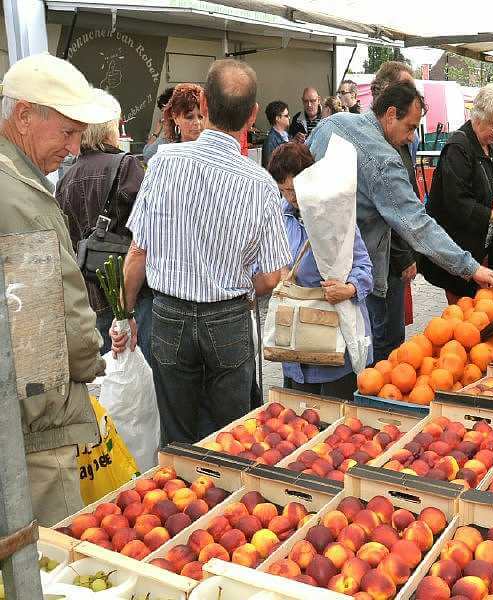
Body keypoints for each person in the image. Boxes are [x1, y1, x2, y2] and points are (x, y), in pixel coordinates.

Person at [117, 59, 290, 444]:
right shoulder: (260, 184)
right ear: (253, 114)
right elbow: (273, 276)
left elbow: (138, 252)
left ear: (205, 105)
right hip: (228, 316)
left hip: (169, 315)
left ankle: (178, 490)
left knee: (177, 434)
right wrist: (244, 280)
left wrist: (125, 314)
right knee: (231, 437)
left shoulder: (163, 164)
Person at [0, 53, 119, 524]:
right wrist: (91, 358)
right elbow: (51, 314)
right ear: (25, 115)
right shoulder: (21, 198)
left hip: (16, 406)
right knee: (51, 553)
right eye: (66, 133)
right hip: (35, 418)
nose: (73, 148)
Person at [307, 82, 493, 358]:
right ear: (391, 114)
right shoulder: (384, 160)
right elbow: (418, 225)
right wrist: (471, 267)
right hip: (351, 273)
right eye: (411, 127)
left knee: (307, 346)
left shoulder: (333, 123)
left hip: (310, 265)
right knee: (356, 356)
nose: (413, 137)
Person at [55, 91, 153, 365]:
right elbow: (148, 229)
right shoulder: (127, 165)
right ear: (110, 127)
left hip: (89, 297)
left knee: (108, 379)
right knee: (140, 373)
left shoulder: (66, 179)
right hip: (132, 293)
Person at [268, 143, 373, 398]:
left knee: (336, 423)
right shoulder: (280, 218)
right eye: (283, 191)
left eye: (293, 189)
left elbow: (365, 268)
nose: (290, 197)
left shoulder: (335, 214)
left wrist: (348, 289)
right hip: (294, 345)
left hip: (333, 342)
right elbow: (267, 265)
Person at [421, 84, 493, 302]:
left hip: (487, 249)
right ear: (478, 118)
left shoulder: (490, 149)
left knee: (489, 311)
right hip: (462, 251)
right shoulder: (458, 148)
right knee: (466, 317)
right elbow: (458, 203)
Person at [368, 61, 419, 362]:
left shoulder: (394, 141)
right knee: (385, 337)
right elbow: (395, 211)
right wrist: (405, 256)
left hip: (390, 257)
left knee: (389, 333)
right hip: (384, 261)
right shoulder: (381, 148)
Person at [143, 86, 174, 163]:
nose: (163, 115)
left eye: (164, 110)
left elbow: (147, 155)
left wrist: (157, 132)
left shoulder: (169, 135)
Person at [261, 100, 290, 168]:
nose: (289, 117)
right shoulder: (270, 141)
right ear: (277, 118)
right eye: (286, 115)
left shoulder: (287, 136)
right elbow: (268, 167)